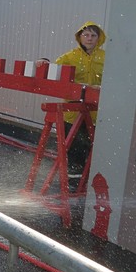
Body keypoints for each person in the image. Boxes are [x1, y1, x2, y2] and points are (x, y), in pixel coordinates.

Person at [53, 21, 106, 191]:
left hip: (96, 111)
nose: (89, 38)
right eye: (86, 35)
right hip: (73, 110)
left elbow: (116, 77)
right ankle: (72, 181)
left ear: (99, 38)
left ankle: (90, 178)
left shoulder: (106, 57)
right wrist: (43, 61)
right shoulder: (70, 56)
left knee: (91, 145)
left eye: (93, 35)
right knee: (73, 145)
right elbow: (54, 69)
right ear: (80, 37)